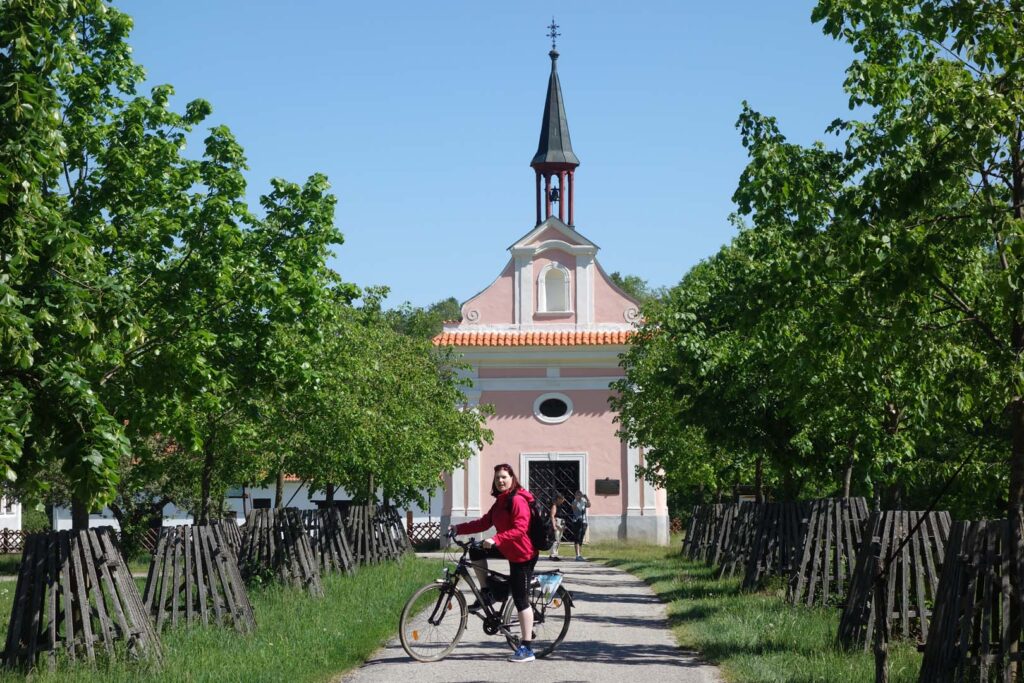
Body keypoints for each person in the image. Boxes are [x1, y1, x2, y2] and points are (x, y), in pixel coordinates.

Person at [451, 463, 539, 663]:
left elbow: (520, 528)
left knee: (520, 600)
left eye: (504, 477)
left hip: (523, 554)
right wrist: (457, 528)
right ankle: (487, 592)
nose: (500, 481)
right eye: (497, 478)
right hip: (508, 548)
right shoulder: (500, 502)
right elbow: (483, 523)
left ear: (512, 479)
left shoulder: (517, 500)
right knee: (475, 549)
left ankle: (527, 648)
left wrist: (496, 539)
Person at [570, 490, 591, 561]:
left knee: (581, 538)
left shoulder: (583, 502)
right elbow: (574, 508)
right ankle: (577, 555)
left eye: (580, 495)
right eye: (577, 495)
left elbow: (589, 505)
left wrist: (587, 498)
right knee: (577, 538)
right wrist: (577, 499)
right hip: (576, 522)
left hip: (584, 522)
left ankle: (580, 555)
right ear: (575, 496)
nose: (579, 496)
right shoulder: (574, 502)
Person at [548, 494, 566, 561]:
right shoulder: (554, 506)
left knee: (558, 540)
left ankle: (555, 554)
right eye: (562, 499)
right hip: (557, 523)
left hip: (561, 523)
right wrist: (554, 526)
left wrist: (563, 526)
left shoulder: (560, 506)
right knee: (555, 540)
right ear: (558, 499)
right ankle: (552, 555)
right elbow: (552, 516)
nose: (563, 500)